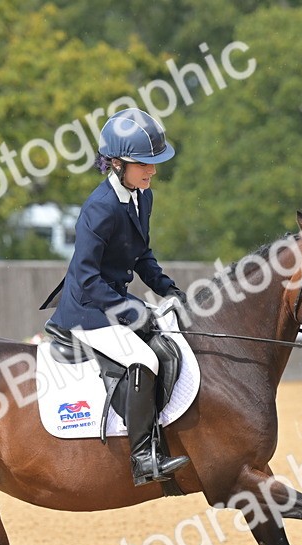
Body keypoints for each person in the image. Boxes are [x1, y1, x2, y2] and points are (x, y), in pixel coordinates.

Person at [40, 107, 191, 486]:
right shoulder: (99, 208)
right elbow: (88, 278)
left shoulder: (143, 197)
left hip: (111, 303)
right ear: (118, 164)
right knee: (144, 358)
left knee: (169, 342)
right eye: (145, 164)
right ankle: (143, 458)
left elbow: (141, 254)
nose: (152, 170)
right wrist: (134, 310)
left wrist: (167, 288)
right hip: (87, 311)